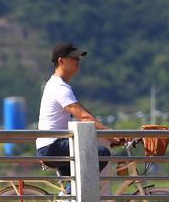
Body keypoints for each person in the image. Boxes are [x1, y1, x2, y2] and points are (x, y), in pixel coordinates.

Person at [36, 42, 124, 184]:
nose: (78, 61)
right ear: (61, 60)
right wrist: (111, 134)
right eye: (74, 58)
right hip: (53, 146)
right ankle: (76, 196)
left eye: (78, 58)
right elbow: (83, 116)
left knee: (74, 183)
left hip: (52, 146)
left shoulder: (58, 85)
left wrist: (108, 135)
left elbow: (84, 113)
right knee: (101, 154)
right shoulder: (59, 87)